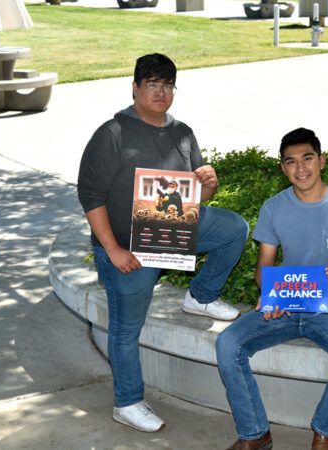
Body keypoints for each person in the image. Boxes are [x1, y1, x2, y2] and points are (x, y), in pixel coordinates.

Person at [77, 53, 249, 433]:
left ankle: (201, 296)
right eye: (153, 84)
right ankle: (127, 402)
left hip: (169, 231)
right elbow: (90, 196)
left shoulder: (182, 133)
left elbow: (193, 199)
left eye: (168, 85)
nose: (161, 92)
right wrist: (113, 250)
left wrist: (209, 185)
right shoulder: (112, 133)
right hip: (128, 247)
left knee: (234, 228)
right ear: (135, 88)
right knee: (126, 329)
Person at [215, 128, 328, 450]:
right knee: (228, 343)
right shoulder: (274, 207)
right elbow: (264, 267)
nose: (300, 168)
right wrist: (270, 295)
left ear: (321, 160)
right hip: (288, 301)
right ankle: (254, 433)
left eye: (307, 158)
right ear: (283, 168)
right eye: (291, 162)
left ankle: (324, 431)